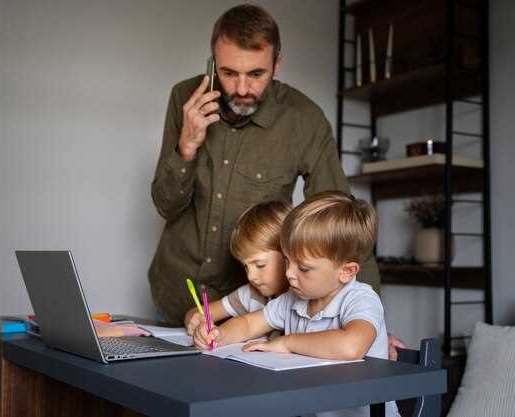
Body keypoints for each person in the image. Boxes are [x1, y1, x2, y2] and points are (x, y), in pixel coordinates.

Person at [149, 4, 380, 326]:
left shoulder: (305, 119)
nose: (242, 89)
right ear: (213, 65)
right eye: (228, 73)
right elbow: (165, 205)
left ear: (277, 65)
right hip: (175, 294)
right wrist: (186, 147)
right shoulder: (184, 98)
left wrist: (368, 320)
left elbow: (340, 223)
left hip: (254, 307)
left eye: (256, 74)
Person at [194, 191, 400, 417]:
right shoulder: (293, 299)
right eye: (287, 261)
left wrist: (287, 343)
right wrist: (218, 334)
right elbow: (248, 324)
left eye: (303, 268)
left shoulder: (360, 298)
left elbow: (351, 346)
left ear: (346, 271)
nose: (290, 274)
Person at [184, 199, 291, 336]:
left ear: (289, 253)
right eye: (246, 267)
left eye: (260, 265)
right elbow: (195, 313)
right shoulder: (250, 295)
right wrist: (194, 321)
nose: (250, 276)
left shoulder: (305, 297)